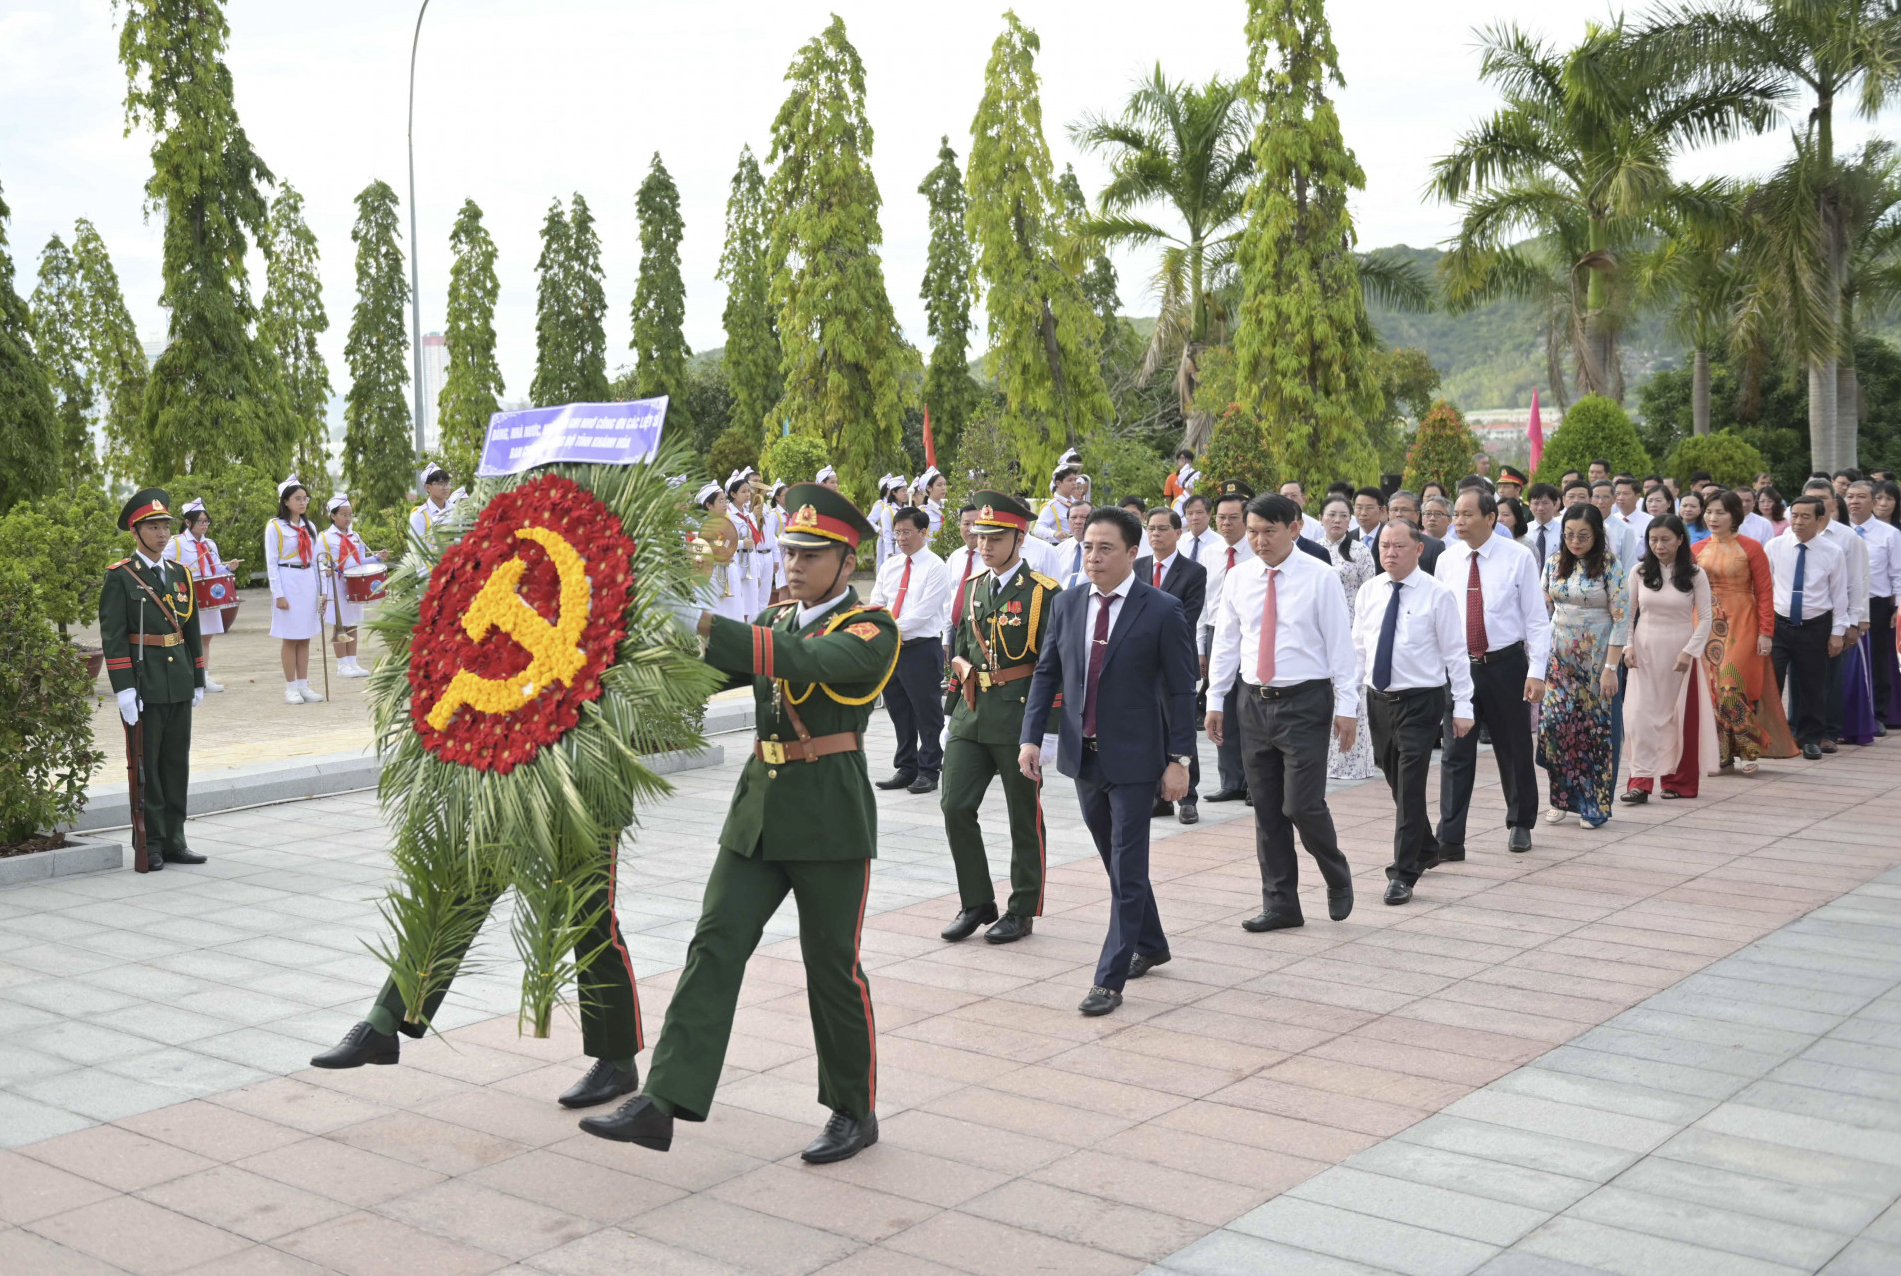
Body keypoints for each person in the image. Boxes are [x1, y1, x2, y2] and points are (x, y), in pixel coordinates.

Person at [582, 483, 897, 1162]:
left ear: (847, 563)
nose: (792, 565)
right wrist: (623, 643)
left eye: (810, 555)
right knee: (713, 946)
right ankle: (661, 1102)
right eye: (788, 551)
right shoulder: (776, 622)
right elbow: (704, 678)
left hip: (828, 820)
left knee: (831, 968)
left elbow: (810, 665)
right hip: (757, 815)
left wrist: (701, 622)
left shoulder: (872, 629)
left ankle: (853, 1109)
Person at [1019, 506, 1194, 1017]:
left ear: (1132, 553)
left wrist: (1179, 759)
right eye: (1088, 548)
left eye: (1106, 549)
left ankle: (1109, 978)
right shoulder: (1068, 603)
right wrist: (1032, 738)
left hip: (1138, 761)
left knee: (1128, 864)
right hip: (1083, 756)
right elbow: (1046, 673)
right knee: (1117, 863)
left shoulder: (1161, 610)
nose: (1093, 558)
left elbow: (1182, 691)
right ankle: (1152, 942)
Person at [1206, 493, 1358, 932]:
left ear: (1293, 528)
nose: (1259, 540)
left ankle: (1335, 872)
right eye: (1252, 532)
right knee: (1268, 809)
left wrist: (1346, 709)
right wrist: (1216, 700)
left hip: (1305, 703)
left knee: (1301, 804)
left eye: (1268, 531)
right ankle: (1281, 903)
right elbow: (1227, 645)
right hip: (1253, 702)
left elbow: (1340, 648)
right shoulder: (1239, 578)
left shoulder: (1320, 577)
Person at [940, 492, 1063, 944]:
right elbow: (960, 653)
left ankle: (1022, 908)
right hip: (971, 717)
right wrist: (948, 712)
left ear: (1020, 535)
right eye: (979, 536)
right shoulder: (972, 587)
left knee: (1022, 817)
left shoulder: (1044, 594)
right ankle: (977, 901)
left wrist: (1047, 731)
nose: (983, 544)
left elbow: (1056, 666)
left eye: (995, 537)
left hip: (1019, 720)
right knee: (954, 805)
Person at [1353, 519, 1474, 905]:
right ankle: (1425, 846)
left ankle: (1403, 873)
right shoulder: (1370, 592)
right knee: (1396, 784)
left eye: (1399, 546)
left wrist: (1464, 705)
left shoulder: (1437, 595)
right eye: (1384, 546)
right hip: (1378, 701)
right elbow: (1359, 649)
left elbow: (1456, 654)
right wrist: (1349, 701)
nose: (1389, 553)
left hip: (1421, 701)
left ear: (1418, 549)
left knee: (1410, 785)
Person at [1435, 489, 1551, 857]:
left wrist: (1537, 671)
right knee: (1456, 751)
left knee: (1513, 745)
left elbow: (1536, 620)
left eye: (1467, 514)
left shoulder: (1518, 558)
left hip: (1506, 665)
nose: (1458, 521)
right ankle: (1450, 837)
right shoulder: (1447, 560)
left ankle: (1520, 823)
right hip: (1460, 668)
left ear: (1491, 518)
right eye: (1456, 514)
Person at [101, 488, 207, 871]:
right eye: (153, 527)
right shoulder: (121, 577)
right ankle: (153, 842)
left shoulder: (181, 574)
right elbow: (112, 637)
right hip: (145, 684)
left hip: (177, 679)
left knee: (176, 763)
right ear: (136, 532)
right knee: (148, 767)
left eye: (165, 526)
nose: (162, 534)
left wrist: (198, 676)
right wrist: (124, 688)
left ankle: (177, 839)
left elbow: (190, 630)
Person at [1538, 505, 1629, 828]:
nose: (1575, 541)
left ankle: (1594, 804)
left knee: (1594, 731)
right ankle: (1561, 798)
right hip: (1559, 658)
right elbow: (1541, 609)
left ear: (1597, 536)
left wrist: (1610, 667)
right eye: (1569, 535)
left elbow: (1621, 619)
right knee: (1557, 728)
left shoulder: (1609, 566)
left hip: (1596, 660)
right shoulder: (1553, 563)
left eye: (1583, 535)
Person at [1692, 489, 1796, 771]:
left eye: (1721, 512)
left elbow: (1765, 592)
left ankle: (1749, 751)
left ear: (1735, 516)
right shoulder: (1696, 550)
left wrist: (1766, 632)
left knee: (1730, 686)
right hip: (1704, 623)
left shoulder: (1751, 548)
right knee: (1711, 690)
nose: (1713, 517)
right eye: (1709, 511)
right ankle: (1722, 754)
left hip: (1743, 621)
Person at [1620, 516, 1717, 802]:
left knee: (1676, 717)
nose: (1659, 545)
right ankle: (1640, 781)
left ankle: (1677, 781)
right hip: (1644, 653)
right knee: (1639, 717)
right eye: (1653, 540)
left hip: (1680, 653)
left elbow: (1706, 618)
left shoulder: (1696, 574)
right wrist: (1627, 646)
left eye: (1665, 539)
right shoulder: (1638, 572)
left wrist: (1690, 651)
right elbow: (1627, 614)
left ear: (1679, 540)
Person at [869, 506, 950, 794]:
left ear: (923, 532)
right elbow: (877, 601)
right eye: (897, 533)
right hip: (892, 649)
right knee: (899, 710)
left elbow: (924, 612)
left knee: (927, 712)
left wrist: (889, 629)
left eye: (906, 532)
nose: (901, 538)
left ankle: (930, 770)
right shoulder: (890, 566)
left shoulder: (936, 567)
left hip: (920, 648)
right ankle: (907, 766)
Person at [1135, 506, 1208, 821]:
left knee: (1181, 729)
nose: (1155, 534)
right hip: (1140, 665)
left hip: (1175, 662)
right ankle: (1158, 796)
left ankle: (1187, 798)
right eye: (1151, 528)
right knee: (1149, 730)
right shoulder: (1135, 567)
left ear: (1179, 533)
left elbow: (1185, 618)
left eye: (1163, 528)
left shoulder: (1193, 572)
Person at [1766, 496, 1849, 760]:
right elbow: (1764, 588)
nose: (1798, 522)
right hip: (1779, 624)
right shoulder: (1775, 546)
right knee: (1772, 680)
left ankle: (1810, 738)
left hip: (1815, 626)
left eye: (1805, 517)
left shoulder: (1832, 552)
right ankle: (1770, 736)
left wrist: (1838, 632)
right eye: (1795, 516)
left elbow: (1839, 596)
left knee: (1812, 684)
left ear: (1820, 519)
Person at [1200, 481, 1257, 804]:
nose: (1226, 523)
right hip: (1214, 633)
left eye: (1233, 517)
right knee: (1220, 707)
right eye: (1220, 517)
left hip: (1247, 635)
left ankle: (1253, 781)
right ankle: (1230, 779)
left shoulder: (1256, 552)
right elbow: (1203, 604)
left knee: (1248, 710)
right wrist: (1200, 646)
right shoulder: (1210, 553)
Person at [1806, 485, 1872, 749]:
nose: (1816, 504)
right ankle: (1800, 728)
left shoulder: (1847, 537)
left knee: (1832, 676)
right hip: (1802, 615)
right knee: (1802, 677)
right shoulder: (1792, 534)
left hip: (1837, 615)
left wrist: (1856, 622)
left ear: (1832, 504)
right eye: (1811, 499)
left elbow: (1859, 581)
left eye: (1822, 499)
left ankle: (1829, 732)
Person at [1316, 495, 1376, 781]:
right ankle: (1325, 762)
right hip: (1320, 633)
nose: (1337, 520)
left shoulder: (1361, 551)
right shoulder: (1312, 551)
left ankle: (1353, 763)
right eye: (1331, 515)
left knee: (1351, 693)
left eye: (1343, 516)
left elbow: (1371, 593)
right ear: (1321, 518)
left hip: (1353, 631)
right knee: (1324, 693)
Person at [165, 499, 238, 693]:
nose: (205, 525)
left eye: (207, 521)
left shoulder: (210, 544)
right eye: (201, 521)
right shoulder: (176, 543)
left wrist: (228, 566)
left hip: (209, 595)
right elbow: (163, 565)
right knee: (190, 636)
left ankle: (204, 676)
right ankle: (189, 676)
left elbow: (215, 567)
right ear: (188, 522)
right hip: (188, 595)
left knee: (206, 637)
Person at [1846, 480, 1900, 731]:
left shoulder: (1889, 534)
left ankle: (1878, 713)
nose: (1854, 501)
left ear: (1873, 501)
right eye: (1849, 496)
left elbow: (1898, 573)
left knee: (1878, 661)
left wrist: (1898, 607)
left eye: (1861, 496)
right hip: (1843, 604)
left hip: (1877, 605)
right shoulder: (1838, 532)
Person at [267, 476, 325, 705]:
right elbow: (272, 562)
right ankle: (290, 687)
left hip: (307, 580)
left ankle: (304, 684)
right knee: (290, 638)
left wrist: (323, 591)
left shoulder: (310, 527)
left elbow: (318, 560)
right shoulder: (275, 527)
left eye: (305, 498)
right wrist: (278, 594)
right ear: (286, 501)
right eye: (297, 499)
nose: (302, 503)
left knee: (305, 637)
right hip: (287, 578)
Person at [317, 495, 382, 678]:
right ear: (333, 516)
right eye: (343, 514)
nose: (347, 518)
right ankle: (342, 664)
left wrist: (376, 557)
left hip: (353, 584)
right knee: (340, 624)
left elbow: (359, 561)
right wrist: (326, 571)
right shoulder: (324, 537)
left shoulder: (355, 536)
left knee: (353, 623)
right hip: (336, 585)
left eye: (350, 515)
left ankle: (353, 662)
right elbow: (320, 562)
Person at [695, 483, 749, 623]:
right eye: (720, 501)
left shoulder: (726, 524)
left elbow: (727, 544)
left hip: (730, 574)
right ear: (708, 505)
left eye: (725, 500)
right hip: (711, 578)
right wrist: (717, 560)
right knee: (716, 617)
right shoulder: (698, 528)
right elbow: (696, 558)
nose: (725, 504)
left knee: (735, 615)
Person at [1034, 466, 1084, 542]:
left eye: (1075, 480)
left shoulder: (1077, 504)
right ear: (1059, 483)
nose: (1074, 483)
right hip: (1059, 549)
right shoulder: (1052, 506)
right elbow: (1038, 529)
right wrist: (1054, 533)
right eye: (1070, 480)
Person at [408, 462, 454, 545]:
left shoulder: (456, 510)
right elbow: (418, 550)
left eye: (447, 483)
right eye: (440, 483)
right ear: (428, 487)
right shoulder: (419, 515)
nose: (446, 487)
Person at [1054, 499, 1093, 586]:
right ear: (1068, 521)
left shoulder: (1101, 550)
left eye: (1083, 517)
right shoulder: (1058, 551)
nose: (1078, 522)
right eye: (1073, 517)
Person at [1525, 483, 1562, 571]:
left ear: (1555, 503)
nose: (1540, 508)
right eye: (1536, 503)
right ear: (1530, 505)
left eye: (1545, 503)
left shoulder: (1563, 530)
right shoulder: (1524, 530)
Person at [1181, 494, 1221, 565]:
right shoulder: (1178, 542)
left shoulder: (1220, 542)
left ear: (1209, 515)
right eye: (1190, 513)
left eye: (1199, 512)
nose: (1194, 518)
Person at [1350, 486, 1387, 554]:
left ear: (1382, 510)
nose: (1363, 513)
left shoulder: (1390, 536)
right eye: (1359, 507)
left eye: (1369, 508)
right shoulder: (1347, 538)